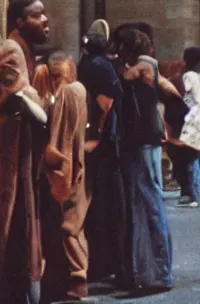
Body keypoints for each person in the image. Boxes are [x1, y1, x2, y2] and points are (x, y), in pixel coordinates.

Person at [0, 0, 57, 304]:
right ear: (20, 21)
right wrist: (45, 107)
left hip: (17, 156)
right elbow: (22, 99)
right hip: (9, 158)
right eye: (37, 15)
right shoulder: (12, 52)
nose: (45, 20)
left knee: (9, 229)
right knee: (4, 231)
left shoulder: (21, 51)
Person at [116, 28, 175, 293]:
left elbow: (125, 76)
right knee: (147, 203)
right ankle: (148, 270)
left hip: (140, 142)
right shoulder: (151, 67)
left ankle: (159, 272)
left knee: (149, 204)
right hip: (146, 140)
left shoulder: (142, 67)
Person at [34, 52, 91, 303]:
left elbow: (65, 140)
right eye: (53, 76)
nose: (57, 81)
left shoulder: (71, 93)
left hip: (68, 170)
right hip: (72, 169)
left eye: (60, 75)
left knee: (70, 226)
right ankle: (75, 279)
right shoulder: (66, 94)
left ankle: (79, 279)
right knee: (70, 226)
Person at [77, 24, 127, 284]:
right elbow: (105, 104)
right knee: (110, 205)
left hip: (101, 143)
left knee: (100, 204)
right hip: (106, 145)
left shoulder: (88, 64)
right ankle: (111, 264)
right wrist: (99, 132)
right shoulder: (100, 67)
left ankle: (102, 262)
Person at [167, 46, 200, 208]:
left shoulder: (189, 76)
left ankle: (188, 193)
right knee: (191, 158)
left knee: (181, 156)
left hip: (192, 121)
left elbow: (179, 91)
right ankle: (194, 190)